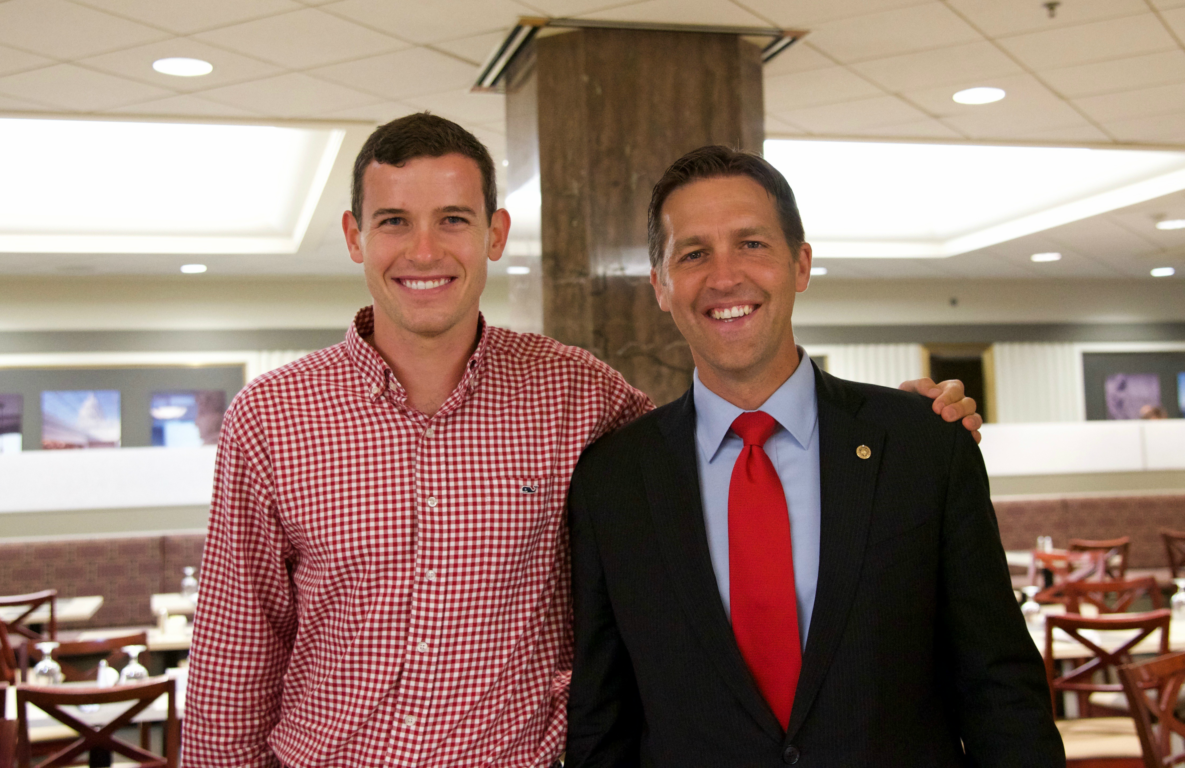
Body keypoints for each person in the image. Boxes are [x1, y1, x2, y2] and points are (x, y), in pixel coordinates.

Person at [182, 115, 983, 767]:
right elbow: (233, 658)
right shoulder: (272, 418)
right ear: (356, 236)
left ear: (493, 233)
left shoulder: (578, 395)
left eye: (452, 220)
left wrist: (893, 420)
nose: (423, 251)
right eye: (394, 221)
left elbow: (727, 432)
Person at [565, 146, 1062, 767]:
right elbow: (601, 719)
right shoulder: (614, 479)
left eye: (752, 244)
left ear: (800, 264)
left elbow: (1001, 690)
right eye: (693, 254)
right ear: (660, 286)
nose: (725, 277)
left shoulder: (922, 445)